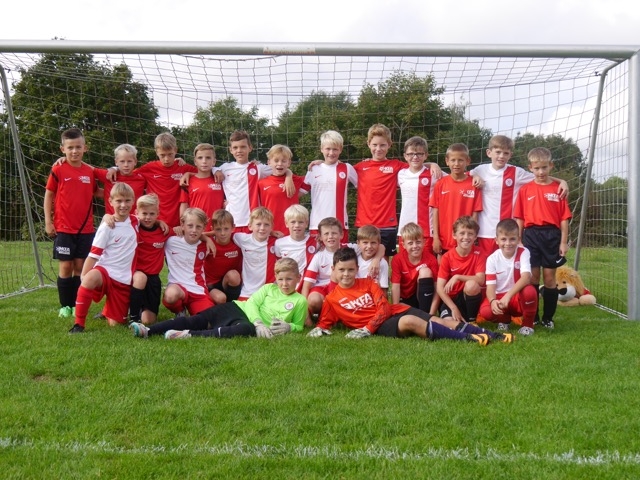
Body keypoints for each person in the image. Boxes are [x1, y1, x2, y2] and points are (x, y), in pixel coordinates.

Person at [308, 247, 511, 344]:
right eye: (342, 270)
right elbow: (324, 322)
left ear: (356, 269)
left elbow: (384, 306)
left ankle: (494, 335)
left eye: (351, 270)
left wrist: (367, 329)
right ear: (333, 269)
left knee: (439, 320)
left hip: (391, 313)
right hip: (381, 326)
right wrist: (317, 329)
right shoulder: (332, 299)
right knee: (410, 321)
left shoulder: (368, 283)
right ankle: (469, 338)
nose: (346, 274)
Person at [130, 257, 307, 339]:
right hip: (237, 308)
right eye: (281, 279)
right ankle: (148, 331)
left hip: (247, 324)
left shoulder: (300, 301)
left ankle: (187, 335)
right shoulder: (268, 288)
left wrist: (288, 327)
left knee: (245, 330)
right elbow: (252, 304)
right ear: (276, 278)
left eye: (289, 279)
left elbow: (299, 325)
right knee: (197, 320)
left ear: (298, 278)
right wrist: (259, 322)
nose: (284, 284)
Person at [470, 135, 569, 257]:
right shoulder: (480, 170)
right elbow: (463, 175)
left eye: (506, 153)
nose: (501, 156)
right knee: (486, 266)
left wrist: (562, 181)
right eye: (498, 152)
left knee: (509, 266)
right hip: (485, 231)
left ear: (510, 155)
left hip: (508, 233)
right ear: (489, 153)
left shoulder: (516, 172)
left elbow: (539, 176)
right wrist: (474, 176)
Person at [354, 124, 441, 257]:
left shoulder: (397, 166)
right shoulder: (359, 167)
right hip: (365, 223)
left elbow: (416, 164)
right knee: (364, 260)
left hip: (387, 224)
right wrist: (321, 162)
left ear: (389, 144)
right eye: (375, 145)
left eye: (382, 145)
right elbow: (339, 168)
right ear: (368, 144)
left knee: (383, 260)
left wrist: (433, 164)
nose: (378, 149)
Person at [68, 183, 138, 333]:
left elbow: (151, 217)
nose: (123, 205)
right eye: (119, 201)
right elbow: (94, 255)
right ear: (110, 201)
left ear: (133, 201)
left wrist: (161, 222)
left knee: (116, 324)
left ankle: (107, 311)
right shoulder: (107, 226)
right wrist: (84, 278)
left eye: (127, 200)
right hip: (105, 270)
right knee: (89, 278)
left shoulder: (136, 222)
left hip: (123, 279)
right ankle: (79, 324)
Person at [514, 147, 571, 329]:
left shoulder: (558, 189)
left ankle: (548, 318)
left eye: (544, 168)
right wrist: (519, 239)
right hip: (531, 235)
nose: (540, 172)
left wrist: (563, 242)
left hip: (551, 236)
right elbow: (519, 218)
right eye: (537, 168)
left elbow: (564, 219)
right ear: (530, 167)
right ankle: (533, 316)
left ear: (551, 166)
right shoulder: (525, 190)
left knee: (549, 278)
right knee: (532, 277)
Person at [44, 128, 99, 318]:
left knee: (80, 267)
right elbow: (49, 195)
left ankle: (77, 305)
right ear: (63, 149)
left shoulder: (89, 172)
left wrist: (121, 188)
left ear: (85, 148)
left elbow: (97, 192)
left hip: (85, 229)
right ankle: (65, 306)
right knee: (65, 267)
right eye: (70, 148)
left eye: (78, 147)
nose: (74, 151)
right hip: (64, 228)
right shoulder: (58, 169)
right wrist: (48, 221)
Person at [301, 217, 382, 322]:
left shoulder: (351, 248)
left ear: (341, 235)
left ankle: (343, 315)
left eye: (334, 233)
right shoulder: (318, 256)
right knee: (313, 300)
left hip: (346, 286)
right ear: (320, 237)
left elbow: (380, 246)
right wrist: (306, 316)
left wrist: (376, 259)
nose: (330, 237)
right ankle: (324, 314)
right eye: (326, 234)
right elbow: (306, 286)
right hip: (323, 288)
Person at [215, 130, 293, 232]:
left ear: (250, 148)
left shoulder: (258, 167)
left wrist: (289, 176)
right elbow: (207, 171)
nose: (239, 150)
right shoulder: (224, 168)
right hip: (232, 221)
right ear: (230, 150)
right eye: (235, 147)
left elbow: (279, 168)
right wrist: (215, 170)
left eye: (243, 147)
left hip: (254, 222)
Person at [478, 219, 539, 336]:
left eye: (512, 239)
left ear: (518, 239)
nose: (508, 243)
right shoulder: (492, 259)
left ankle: (527, 325)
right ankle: (504, 320)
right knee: (486, 311)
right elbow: (490, 287)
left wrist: (508, 296)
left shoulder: (524, 252)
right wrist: (493, 301)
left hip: (516, 296)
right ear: (496, 240)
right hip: (500, 298)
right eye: (503, 239)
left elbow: (526, 278)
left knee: (530, 291)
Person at [130, 132, 197, 228]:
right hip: (154, 222)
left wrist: (189, 174)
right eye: (162, 155)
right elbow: (128, 174)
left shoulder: (184, 168)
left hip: (178, 225)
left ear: (175, 150)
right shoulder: (149, 168)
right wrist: (114, 169)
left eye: (170, 154)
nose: (166, 159)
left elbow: (205, 174)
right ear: (156, 152)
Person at [304, 130, 357, 243]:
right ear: (321, 148)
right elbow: (299, 191)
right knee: (318, 254)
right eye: (328, 149)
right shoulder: (313, 169)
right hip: (316, 225)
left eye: (335, 149)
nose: (331, 153)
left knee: (341, 254)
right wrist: (288, 174)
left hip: (340, 225)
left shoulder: (346, 168)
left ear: (340, 149)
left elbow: (364, 186)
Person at [430, 143, 483, 255]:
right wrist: (436, 237)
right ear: (447, 161)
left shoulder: (473, 185)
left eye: (460, 160)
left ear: (468, 161)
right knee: (443, 266)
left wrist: (473, 237)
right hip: (445, 240)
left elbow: (475, 215)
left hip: (465, 241)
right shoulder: (440, 184)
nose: (456, 164)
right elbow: (435, 212)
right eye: (453, 160)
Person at [162, 208, 214, 316]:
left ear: (204, 227)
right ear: (182, 225)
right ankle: (180, 311)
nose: (194, 230)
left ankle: (195, 311)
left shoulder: (206, 245)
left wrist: (207, 239)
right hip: (177, 287)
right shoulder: (171, 241)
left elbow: (222, 235)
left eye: (198, 227)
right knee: (171, 295)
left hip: (197, 290)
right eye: (190, 226)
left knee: (209, 320)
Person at [436, 216, 486, 324]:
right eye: (462, 233)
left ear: (475, 236)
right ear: (454, 235)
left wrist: (457, 277)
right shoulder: (447, 257)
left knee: (472, 285)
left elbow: (481, 280)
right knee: (449, 325)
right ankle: (456, 317)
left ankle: (472, 321)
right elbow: (440, 288)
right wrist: (453, 308)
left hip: (467, 298)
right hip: (451, 301)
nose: (466, 237)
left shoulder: (480, 253)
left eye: (470, 233)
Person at [128, 194, 169, 325]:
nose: (148, 217)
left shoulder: (164, 230)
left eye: (152, 214)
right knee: (140, 278)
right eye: (144, 213)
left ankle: (138, 309)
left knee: (148, 320)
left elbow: (184, 232)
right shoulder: (132, 226)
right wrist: (107, 217)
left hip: (153, 279)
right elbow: (116, 218)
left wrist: (207, 239)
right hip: (135, 276)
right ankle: (133, 317)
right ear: (137, 213)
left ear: (158, 213)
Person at [397, 136, 441, 254]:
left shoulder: (433, 173)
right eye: (411, 154)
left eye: (419, 154)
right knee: (405, 263)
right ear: (405, 156)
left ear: (425, 155)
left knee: (426, 263)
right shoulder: (401, 174)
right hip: (404, 231)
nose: (415, 157)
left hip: (426, 231)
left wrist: (474, 176)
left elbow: (456, 178)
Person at [258, 144, 309, 235]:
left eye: (284, 161)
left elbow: (317, 175)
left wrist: (319, 162)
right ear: (269, 162)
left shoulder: (297, 180)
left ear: (289, 163)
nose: (280, 163)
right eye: (276, 160)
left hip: (292, 231)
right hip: (270, 231)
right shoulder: (261, 183)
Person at [391, 222, 439, 314]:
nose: (415, 246)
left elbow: (437, 288)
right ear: (404, 245)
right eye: (410, 243)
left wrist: (431, 314)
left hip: (422, 298)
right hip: (405, 299)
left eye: (418, 242)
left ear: (424, 242)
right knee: (404, 313)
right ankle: (416, 314)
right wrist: (395, 310)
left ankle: (425, 314)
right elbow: (395, 286)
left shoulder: (431, 259)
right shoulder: (397, 259)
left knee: (425, 272)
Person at [232, 206, 278, 300]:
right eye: (258, 224)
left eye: (266, 225)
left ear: (272, 227)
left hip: (269, 293)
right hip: (247, 293)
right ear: (250, 226)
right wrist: (206, 238)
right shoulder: (242, 239)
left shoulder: (277, 242)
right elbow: (224, 233)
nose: (262, 228)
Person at [179, 143, 224, 232]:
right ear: (195, 161)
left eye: (208, 158)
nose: (204, 161)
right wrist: (183, 225)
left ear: (214, 161)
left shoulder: (221, 179)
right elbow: (184, 205)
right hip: (196, 230)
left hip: (218, 230)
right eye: (200, 158)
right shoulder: (188, 181)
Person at [93, 144, 146, 214]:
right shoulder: (109, 175)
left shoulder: (142, 178)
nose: (126, 165)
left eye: (129, 161)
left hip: (134, 220)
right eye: (122, 161)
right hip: (111, 219)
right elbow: (89, 169)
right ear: (116, 162)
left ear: (135, 161)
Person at [274, 204, 317, 290]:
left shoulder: (315, 241)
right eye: (293, 222)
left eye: (301, 222)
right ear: (286, 223)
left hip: (307, 287)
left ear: (306, 223)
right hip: (287, 287)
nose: (297, 225)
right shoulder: (279, 243)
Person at [205, 209, 243, 304]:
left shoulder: (238, 241)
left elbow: (256, 235)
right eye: (218, 229)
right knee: (220, 298)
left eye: (226, 229)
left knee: (234, 275)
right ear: (212, 229)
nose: (222, 233)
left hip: (229, 282)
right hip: (212, 285)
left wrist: (271, 232)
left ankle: (232, 305)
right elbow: (194, 236)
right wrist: (205, 238)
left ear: (233, 228)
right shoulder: (208, 243)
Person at [355, 225, 390, 294]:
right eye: (365, 242)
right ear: (358, 243)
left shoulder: (382, 263)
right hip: (354, 297)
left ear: (379, 243)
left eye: (373, 243)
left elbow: (384, 290)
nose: (369, 246)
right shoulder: (353, 259)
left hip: (373, 298)